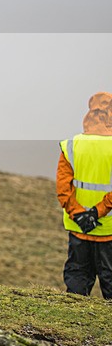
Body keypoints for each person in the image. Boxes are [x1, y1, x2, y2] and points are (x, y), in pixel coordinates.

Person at [56, 91, 112, 298]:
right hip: (108, 230)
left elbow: (63, 188)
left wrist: (79, 214)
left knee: (77, 281)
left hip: (78, 229)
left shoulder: (71, 145)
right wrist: (96, 213)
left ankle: (73, 326)